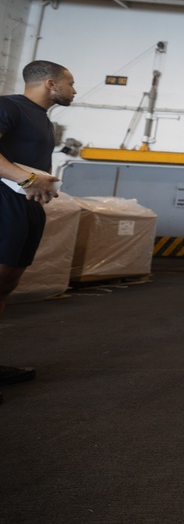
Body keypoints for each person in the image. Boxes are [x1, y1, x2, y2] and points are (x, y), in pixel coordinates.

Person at [0, 60, 76, 403]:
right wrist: (28, 179)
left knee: (6, 286)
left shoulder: (43, 120)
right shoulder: (9, 106)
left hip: (28, 208)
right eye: (70, 84)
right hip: (5, 202)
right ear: (50, 83)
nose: (74, 90)